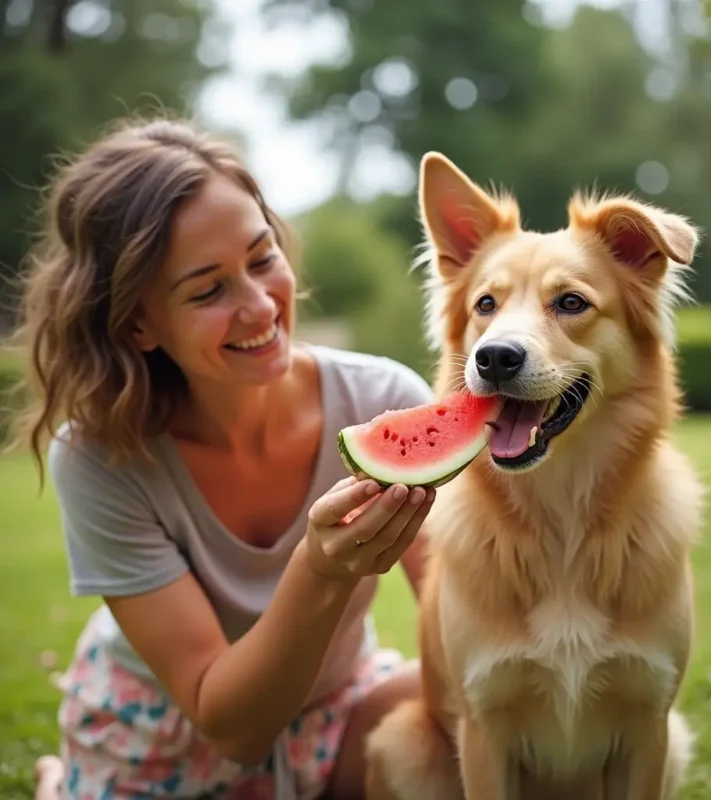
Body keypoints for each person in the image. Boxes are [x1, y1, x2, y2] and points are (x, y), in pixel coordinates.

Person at [11, 117, 438, 799]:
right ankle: (63, 781)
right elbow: (231, 728)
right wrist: (319, 569)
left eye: (263, 257)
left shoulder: (383, 398)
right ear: (137, 324)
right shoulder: (98, 458)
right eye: (208, 290)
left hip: (336, 709)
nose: (259, 305)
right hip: (168, 737)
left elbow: (462, 610)